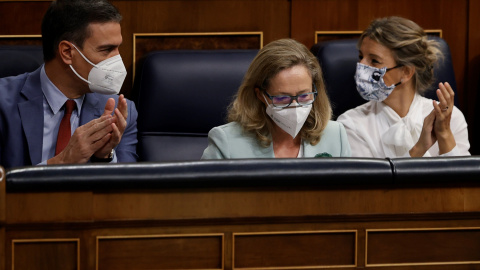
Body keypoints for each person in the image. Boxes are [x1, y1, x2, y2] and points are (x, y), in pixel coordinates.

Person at [0, 0, 138, 169]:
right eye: (106, 50)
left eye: (118, 49)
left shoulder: (121, 113)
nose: (117, 60)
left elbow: (128, 191)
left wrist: (105, 157)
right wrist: (62, 161)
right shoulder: (3, 103)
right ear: (67, 52)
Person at [337, 16, 470, 158]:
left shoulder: (451, 117)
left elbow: (460, 179)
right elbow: (369, 180)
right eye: (360, 57)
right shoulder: (350, 124)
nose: (361, 67)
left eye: (374, 61)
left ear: (406, 72)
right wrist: (420, 148)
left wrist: (444, 134)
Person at [201, 39, 351, 159]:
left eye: (304, 95)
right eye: (283, 98)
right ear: (260, 94)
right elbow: (206, 197)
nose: (295, 106)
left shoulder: (335, 135)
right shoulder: (226, 142)